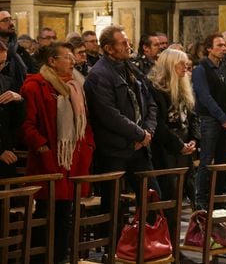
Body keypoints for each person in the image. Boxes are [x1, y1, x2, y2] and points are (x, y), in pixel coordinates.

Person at [20, 42, 94, 263]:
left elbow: (84, 121)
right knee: (47, 212)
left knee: (66, 213)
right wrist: (43, 147)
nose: (73, 61)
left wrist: (88, 144)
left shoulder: (75, 85)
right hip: (51, 161)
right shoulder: (35, 86)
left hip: (74, 159)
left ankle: (62, 257)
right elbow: (26, 125)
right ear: (52, 61)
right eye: (67, 57)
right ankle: (43, 258)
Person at [84, 25, 159, 216]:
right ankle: (115, 245)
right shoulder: (98, 75)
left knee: (153, 199)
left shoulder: (130, 69)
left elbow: (150, 102)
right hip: (114, 150)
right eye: (123, 43)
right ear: (109, 48)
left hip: (140, 147)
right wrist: (139, 133)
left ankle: (150, 242)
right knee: (113, 207)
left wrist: (147, 131)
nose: (129, 46)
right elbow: (109, 114)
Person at [148, 49, 197, 229]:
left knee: (183, 193)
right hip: (166, 148)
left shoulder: (184, 85)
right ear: (170, 65)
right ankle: (165, 241)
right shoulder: (155, 88)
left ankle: (176, 242)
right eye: (182, 64)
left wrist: (193, 139)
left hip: (184, 145)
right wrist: (178, 145)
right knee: (168, 194)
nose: (186, 67)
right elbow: (159, 124)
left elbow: (192, 116)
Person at [192, 33, 226, 210]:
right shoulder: (201, 69)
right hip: (210, 119)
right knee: (206, 160)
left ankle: (218, 195)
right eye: (219, 46)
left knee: (222, 159)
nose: (223, 49)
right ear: (209, 48)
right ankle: (201, 199)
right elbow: (204, 96)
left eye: (224, 46)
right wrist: (222, 117)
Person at [0, 41, 26, 179]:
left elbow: (16, 122)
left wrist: (19, 100)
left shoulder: (6, 81)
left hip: (7, 150)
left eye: (3, 63)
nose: (0, 67)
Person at [0, 10, 38, 88]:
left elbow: (32, 72)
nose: (11, 23)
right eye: (5, 20)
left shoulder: (20, 51)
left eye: (11, 19)